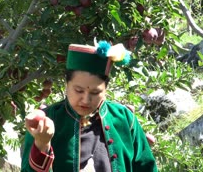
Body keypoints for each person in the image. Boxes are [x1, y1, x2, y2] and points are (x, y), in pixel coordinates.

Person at [21, 40, 158, 171]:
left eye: (95, 92)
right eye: (79, 90)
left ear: (106, 89)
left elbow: (147, 167)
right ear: (67, 85)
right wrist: (42, 143)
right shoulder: (47, 120)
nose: (86, 100)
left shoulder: (124, 119)